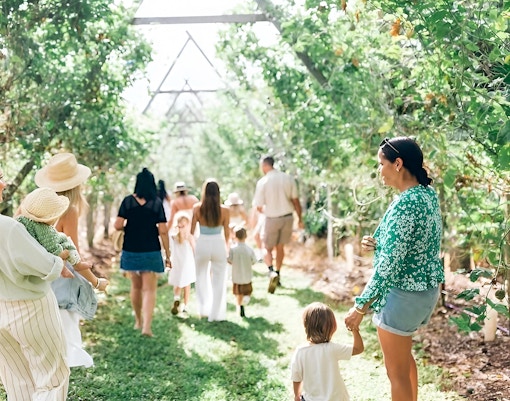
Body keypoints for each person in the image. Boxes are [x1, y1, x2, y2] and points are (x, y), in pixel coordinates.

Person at [344, 136, 444, 401]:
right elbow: (415, 244)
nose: (380, 171)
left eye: (381, 164)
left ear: (397, 164)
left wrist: (360, 306)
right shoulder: (426, 194)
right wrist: (379, 243)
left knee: (396, 374)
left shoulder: (405, 203)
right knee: (404, 360)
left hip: (403, 295)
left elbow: (389, 265)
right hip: (424, 292)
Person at [0, 167, 70, 400]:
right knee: (52, 379)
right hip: (30, 308)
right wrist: (62, 257)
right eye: (0, 178)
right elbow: (46, 265)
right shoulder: (8, 228)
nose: (5, 183)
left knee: (18, 381)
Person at [35, 152, 108, 368]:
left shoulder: (32, 204)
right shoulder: (69, 210)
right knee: (66, 324)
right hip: (60, 274)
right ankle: (67, 362)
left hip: (36, 273)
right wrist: (95, 280)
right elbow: (73, 252)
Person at [15, 187, 107, 322]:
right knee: (68, 336)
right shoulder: (68, 212)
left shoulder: (27, 208)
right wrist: (96, 282)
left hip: (27, 285)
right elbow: (72, 257)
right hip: (57, 286)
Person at [114, 168, 171, 337]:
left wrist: (131, 226)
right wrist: (168, 254)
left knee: (135, 287)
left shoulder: (127, 202)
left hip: (131, 248)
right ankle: (147, 327)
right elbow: (163, 230)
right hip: (151, 250)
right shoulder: (156, 203)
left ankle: (137, 321)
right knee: (150, 290)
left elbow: (117, 225)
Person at [290, 302, 364, 401]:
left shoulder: (300, 351)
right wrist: (354, 329)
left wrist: (296, 395)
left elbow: (296, 377)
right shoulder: (332, 349)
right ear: (332, 327)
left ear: (306, 325)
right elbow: (358, 349)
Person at [252, 155, 303, 293]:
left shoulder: (263, 182)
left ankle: (271, 271)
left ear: (264, 166)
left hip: (271, 218)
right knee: (280, 247)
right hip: (287, 218)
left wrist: (267, 210)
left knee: (266, 246)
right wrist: (300, 219)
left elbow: (258, 206)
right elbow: (296, 202)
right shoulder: (288, 178)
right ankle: (278, 273)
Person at [190, 178, 230, 322]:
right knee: (219, 280)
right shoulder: (225, 210)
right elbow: (227, 233)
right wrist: (228, 249)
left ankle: (203, 310)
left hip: (202, 243)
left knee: (201, 278)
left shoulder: (197, 208)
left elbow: (192, 231)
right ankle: (216, 314)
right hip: (218, 243)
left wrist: (194, 246)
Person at [168, 211, 196, 315]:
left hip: (176, 262)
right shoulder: (189, 237)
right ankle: (185, 305)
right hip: (187, 262)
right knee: (186, 284)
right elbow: (194, 250)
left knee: (177, 282)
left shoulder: (173, 236)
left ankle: (176, 298)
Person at [227, 227, 257, 318]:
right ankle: (244, 302)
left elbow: (229, 260)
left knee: (238, 293)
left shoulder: (233, 249)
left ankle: (239, 306)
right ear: (246, 236)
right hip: (247, 276)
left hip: (237, 276)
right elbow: (254, 261)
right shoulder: (249, 249)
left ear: (235, 236)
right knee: (247, 291)